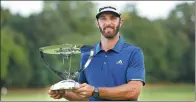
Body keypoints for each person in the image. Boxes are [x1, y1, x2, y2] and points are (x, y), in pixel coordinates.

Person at [48, 6, 145, 101]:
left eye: (113, 18)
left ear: (120, 22)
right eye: (103, 19)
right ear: (97, 23)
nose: (108, 23)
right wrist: (65, 93)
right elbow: (84, 96)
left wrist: (95, 91)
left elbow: (133, 91)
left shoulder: (134, 53)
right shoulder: (87, 55)